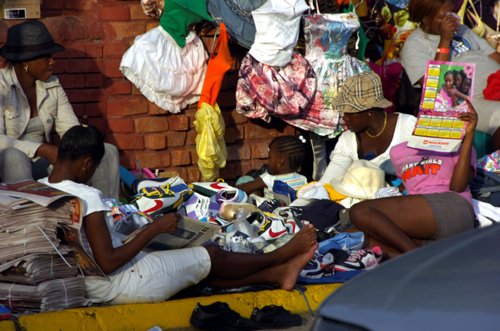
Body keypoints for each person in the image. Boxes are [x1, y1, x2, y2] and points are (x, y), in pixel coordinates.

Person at [40, 125, 318, 304]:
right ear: (88, 164)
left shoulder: (40, 187)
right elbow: (108, 262)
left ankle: (277, 274)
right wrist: (156, 228)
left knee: (199, 270)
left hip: (89, 283)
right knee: (212, 254)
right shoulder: (87, 197)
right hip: (116, 284)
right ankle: (280, 257)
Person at [0, 20, 120, 199]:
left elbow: (70, 131)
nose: (52, 62)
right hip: (10, 168)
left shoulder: (52, 85)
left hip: (45, 163)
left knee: (107, 151)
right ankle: (30, 220)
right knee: (13, 157)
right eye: (46, 57)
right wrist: (42, 149)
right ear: (26, 62)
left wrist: (84, 144)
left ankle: (109, 217)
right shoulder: (2, 86)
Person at [348, 98, 478, 259]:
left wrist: (469, 134)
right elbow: (413, 185)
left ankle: (415, 259)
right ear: (419, 115)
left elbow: (458, 186)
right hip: (424, 220)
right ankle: (429, 260)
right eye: (430, 113)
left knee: (360, 211)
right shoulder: (398, 152)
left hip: (453, 207)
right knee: (356, 236)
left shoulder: (460, 144)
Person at [401, 0, 500, 150]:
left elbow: (495, 58)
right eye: (443, 17)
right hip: (466, 101)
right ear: (425, 19)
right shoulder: (415, 44)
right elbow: (435, 88)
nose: (451, 20)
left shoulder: (462, 30)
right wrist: (445, 40)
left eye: (451, 13)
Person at [319, 72, 417, 185]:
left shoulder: (407, 126)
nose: (344, 117)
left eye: (349, 112)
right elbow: (328, 181)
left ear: (369, 112)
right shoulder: (347, 141)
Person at [237, 135, 308, 196]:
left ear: (280, 161)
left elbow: (245, 188)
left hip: (270, 211)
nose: (268, 162)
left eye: (270, 158)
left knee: (246, 181)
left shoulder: (269, 178)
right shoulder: (303, 179)